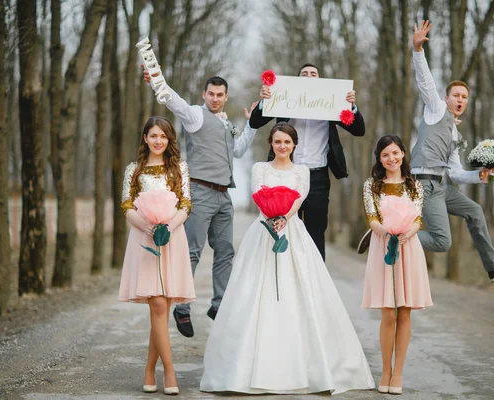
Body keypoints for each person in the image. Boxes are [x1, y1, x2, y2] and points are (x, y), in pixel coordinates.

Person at [200, 122, 374, 395]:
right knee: (254, 290)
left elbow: (298, 199)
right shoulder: (260, 168)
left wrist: (283, 218)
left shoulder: (302, 171)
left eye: (287, 142)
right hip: (262, 230)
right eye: (278, 141)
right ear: (271, 143)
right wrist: (270, 216)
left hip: (291, 230)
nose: (282, 146)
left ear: (294, 145)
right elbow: (259, 195)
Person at [143, 69, 259, 337]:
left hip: (223, 194)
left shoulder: (226, 123)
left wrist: (251, 124)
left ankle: (219, 305)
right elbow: (175, 101)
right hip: (200, 190)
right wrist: (157, 81)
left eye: (220, 95)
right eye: (211, 94)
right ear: (204, 94)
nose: (215, 99)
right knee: (192, 250)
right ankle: (182, 308)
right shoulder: (196, 115)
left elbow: (238, 150)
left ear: (226, 96)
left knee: (226, 250)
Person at [410, 20, 494, 281]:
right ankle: (390, 234)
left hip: (440, 186)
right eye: (457, 95)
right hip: (423, 185)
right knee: (442, 242)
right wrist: (418, 50)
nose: (461, 100)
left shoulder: (455, 133)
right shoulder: (435, 110)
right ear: (446, 98)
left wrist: (480, 175)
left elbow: (456, 173)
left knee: (474, 211)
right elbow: (425, 81)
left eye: (465, 97)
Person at [249, 63, 365, 260]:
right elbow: (255, 122)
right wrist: (264, 102)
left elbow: (359, 130)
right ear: (297, 79)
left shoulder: (332, 102)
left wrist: (351, 107)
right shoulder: (284, 98)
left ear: (319, 80)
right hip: (286, 175)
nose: (309, 76)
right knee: (281, 227)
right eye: (304, 73)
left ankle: (314, 283)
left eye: (313, 73)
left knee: (315, 231)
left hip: (317, 176)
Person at [119, 116, 196, 395]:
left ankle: (150, 369)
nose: (158, 141)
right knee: (158, 306)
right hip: (144, 238)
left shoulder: (179, 168)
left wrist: (168, 227)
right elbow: (126, 204)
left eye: (163, 136)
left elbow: (186, 203)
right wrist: (148, 226)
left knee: (160, 307)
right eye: (153, 135)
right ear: (145, 138)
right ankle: (170, 371)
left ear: (169, 139)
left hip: (172, 238)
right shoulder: (134, 170)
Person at [362, 135, 433, 395]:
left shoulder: (415, 185)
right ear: (379, 159)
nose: (391, 158)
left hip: (408, 246)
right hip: (384, 245)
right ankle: (385, 370)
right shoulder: (372, 185)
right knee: (388, 313)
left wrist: (409, 232)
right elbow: (371, 217)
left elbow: (418, 218)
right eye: (385, 155)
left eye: (395, 153)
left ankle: (399, 372)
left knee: (404, 311)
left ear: (403, 153)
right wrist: (385, 231)